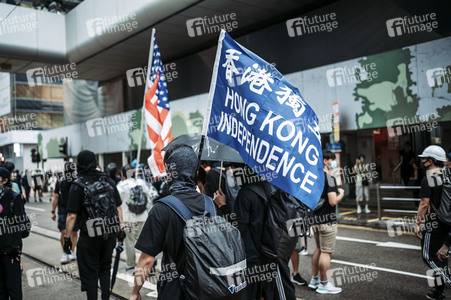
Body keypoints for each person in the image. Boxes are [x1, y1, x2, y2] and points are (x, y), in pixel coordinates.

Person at [131, 144, 217, 299]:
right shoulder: (210, 204)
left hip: (174, 289)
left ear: (171, 171)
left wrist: (135, 292)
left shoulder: (161, 208)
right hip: (206, 288)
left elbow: (146, 260)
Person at [64, 150, 124, 300]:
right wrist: (120, 228)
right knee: (105, 269)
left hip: (89, 236)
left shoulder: (77, 185)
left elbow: (71, 215)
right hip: (109, 233)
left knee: (90, 273)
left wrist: (67, 239)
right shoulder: (108, 180)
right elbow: (118, 208)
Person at [234, 166, 297, 300]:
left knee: (250, 291)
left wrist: (222, 206)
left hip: (251, 254)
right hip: (271, 248)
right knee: (271, 290)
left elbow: (240, 227)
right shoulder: (272, 188)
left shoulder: (245, 193)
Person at [415, 145, 450, 300]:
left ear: (430, 161)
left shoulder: (428, 178)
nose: (422, 161)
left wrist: (417, 223)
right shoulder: (446, 175)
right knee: (441, 256)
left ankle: (446, 280)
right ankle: (438, 292)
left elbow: (424, 203)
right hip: (446, 221)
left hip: (433, 222)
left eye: (424, 159)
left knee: (428, 256)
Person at [309, 150, 344, 294]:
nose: (333, 162)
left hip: (315, 220)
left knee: (318, 248)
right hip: (327, 221)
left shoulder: (313, 178)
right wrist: (341, 193)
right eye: (331, 159)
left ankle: (314, 280)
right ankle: (324, 284)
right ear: (325, 161)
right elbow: (332, 201)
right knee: (326, 252)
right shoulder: (329, 179)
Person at [117, 165, 158, 274]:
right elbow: (150, 197)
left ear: (122, 174)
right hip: (143, 217)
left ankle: (130, 266)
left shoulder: (121, 186)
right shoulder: (142, 183)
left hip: (128, 219)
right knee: (144, 243)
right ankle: (148, 266)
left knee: (129, 243)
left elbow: (118, 204)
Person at [0, 167, 26, 299]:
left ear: (4, 180)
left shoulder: (14, 198)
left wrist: (15, 248)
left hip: (11, 253)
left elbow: (22, 225)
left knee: (14, 290)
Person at [51, 162, 78, 264]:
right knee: (64, 232)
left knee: (74, 232)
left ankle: (72, 251)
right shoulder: (60, 181)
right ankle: (65, 252)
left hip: (75, 210)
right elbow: (56, 196)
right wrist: (53, 211)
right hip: (63, 209)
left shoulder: (77, 181)